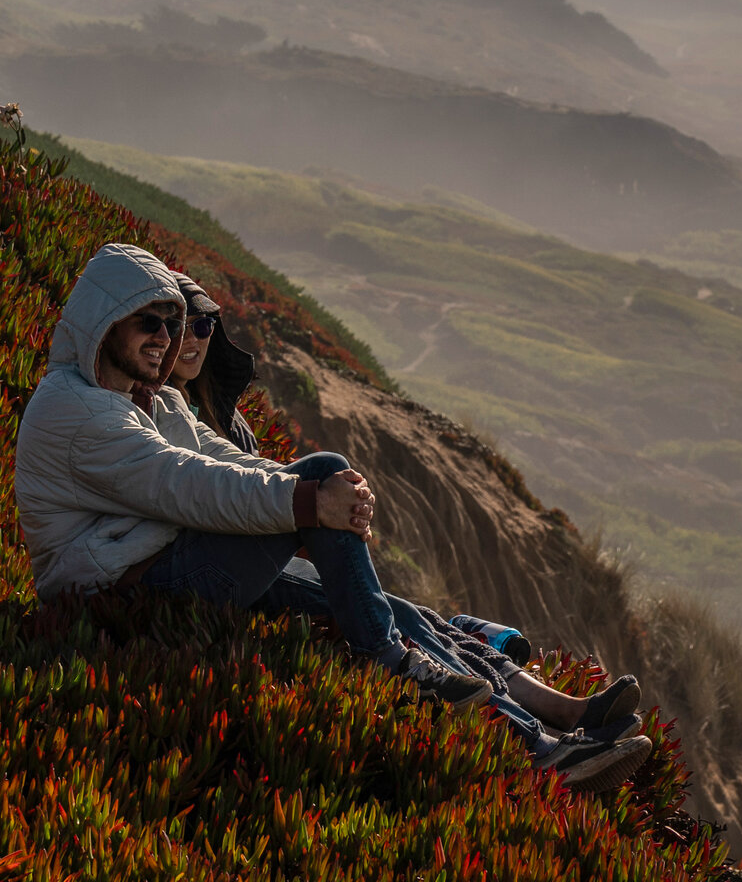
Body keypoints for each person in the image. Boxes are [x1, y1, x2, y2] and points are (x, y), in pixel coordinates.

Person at [15, 243, 648, 790]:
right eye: (147, 322)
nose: (165, 337)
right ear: (104, 324)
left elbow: (225, 462)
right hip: (123, 592)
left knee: (390, 606)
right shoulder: (75, 410)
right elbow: (188, 485)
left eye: (172, 323)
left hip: (170, 564)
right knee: (324, 488)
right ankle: (391, 661)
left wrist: (325, 503)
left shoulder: (148, 401)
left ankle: (546, 744)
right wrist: (311, 502)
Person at [159, 270, 642, 745]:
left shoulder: (222, 416)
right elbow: (219, 501)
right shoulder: (156, 418)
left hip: (273, 559)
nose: (192, 340)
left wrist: (326, 521)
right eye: (177, 327)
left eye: (204, 326)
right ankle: (536, 741)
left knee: (416, 616)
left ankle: (562, 708)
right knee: (401, 621)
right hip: (239, 573)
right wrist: (317, 515)